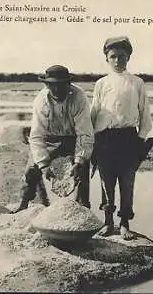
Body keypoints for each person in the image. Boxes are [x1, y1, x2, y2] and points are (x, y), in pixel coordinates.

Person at [90, 36, 152, 240]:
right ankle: (108, 222)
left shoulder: (137, 83)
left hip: (128, 138)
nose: (117, 61)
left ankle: (124, 223)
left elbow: (145, 114)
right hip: (105, 139)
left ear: (129, 58)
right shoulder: (101, 83)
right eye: (113, 57)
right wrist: (91, 138)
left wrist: (140, 139)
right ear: (106, 58)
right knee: (106, 181)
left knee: (127, 181)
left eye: (122, 57)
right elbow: (94, 111)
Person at [10, 65, 95, 213]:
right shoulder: (41, 100)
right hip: (49, 138)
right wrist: (43, 165)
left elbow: (85, 132)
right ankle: (23, 204)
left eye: (61, 85)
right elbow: (36, 136)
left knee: (81, 171)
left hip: (72, 138)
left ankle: (83, 209)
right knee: (31, 169)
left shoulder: (78, 96)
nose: (57, 90)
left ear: (69, 83)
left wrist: (79, 160)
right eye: (52, 86)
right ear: (46, 85)